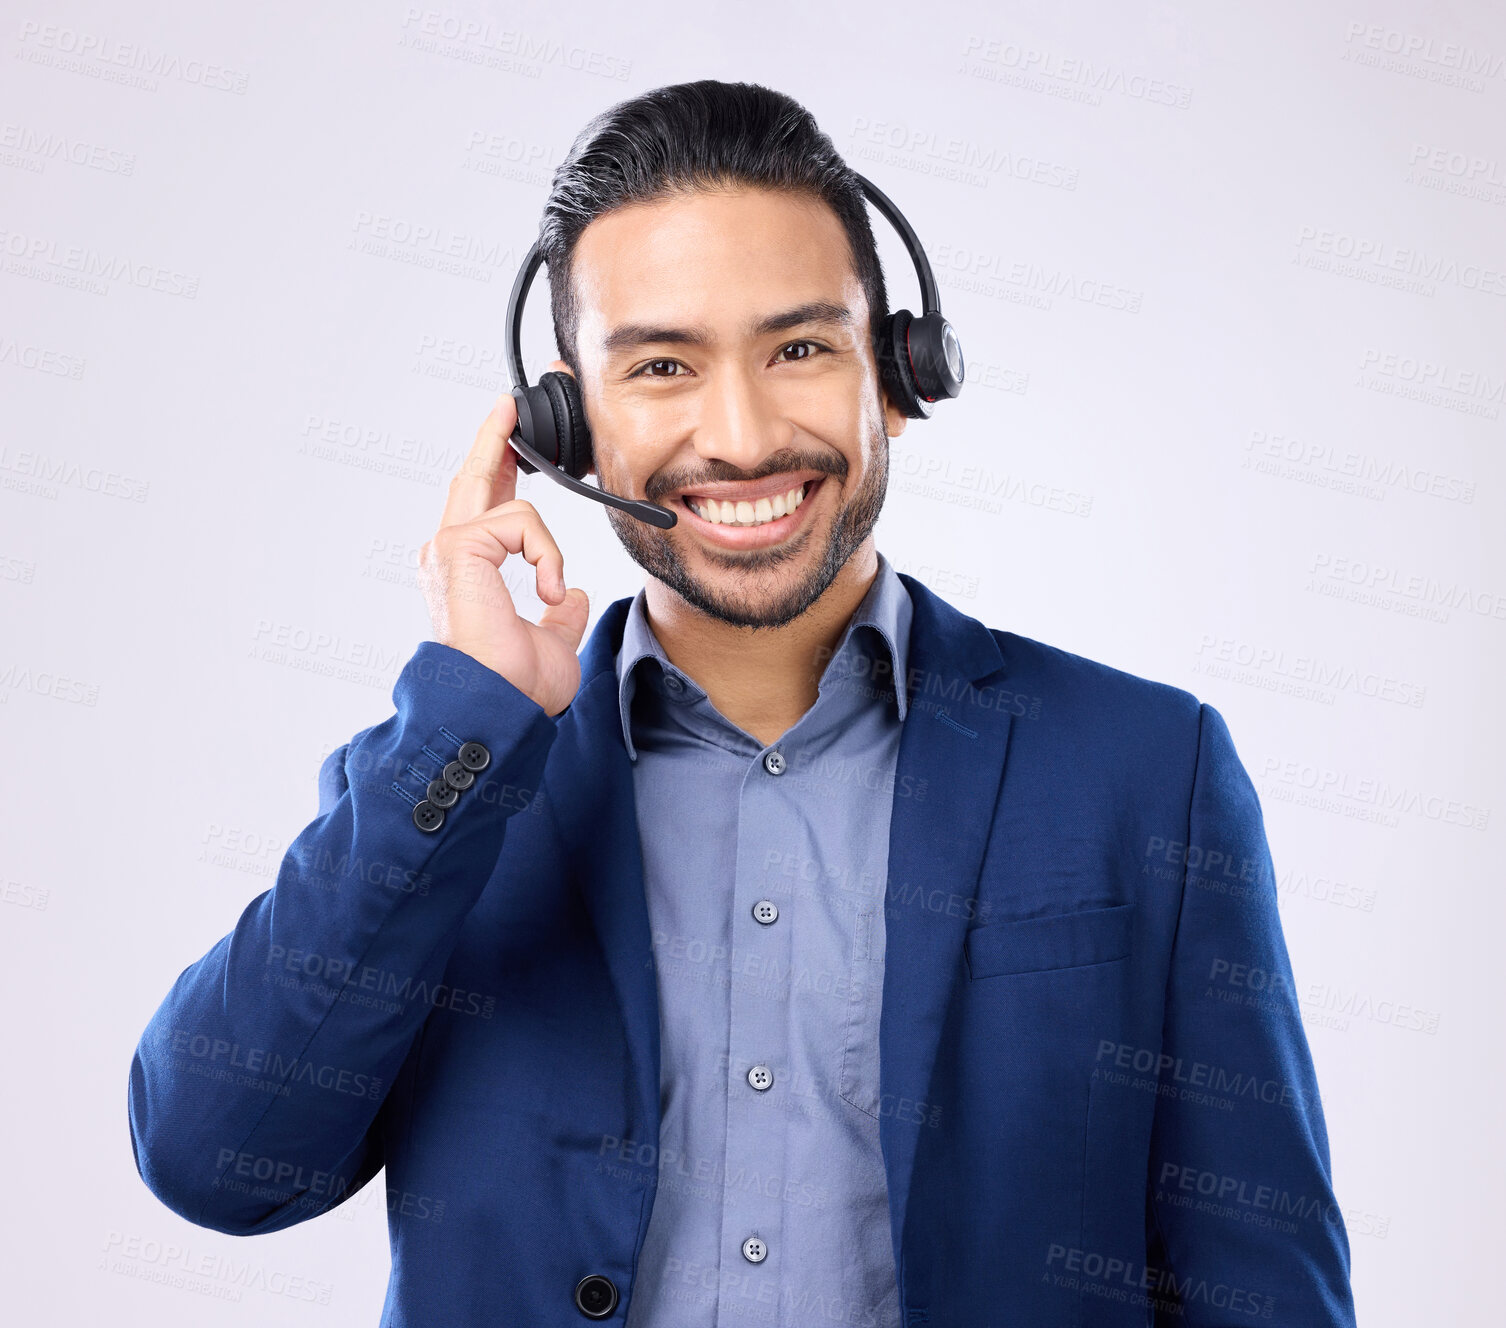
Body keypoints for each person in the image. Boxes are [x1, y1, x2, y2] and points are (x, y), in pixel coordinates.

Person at [128, 79, 1358, 1327]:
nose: (743, 432)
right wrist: (471, 723)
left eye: (800, 348)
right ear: (568, 427)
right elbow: (215, 1160)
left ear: (897, 370)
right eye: (663, 364)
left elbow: (1266, 1290)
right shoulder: (449, 785)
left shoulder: (1146, 770)